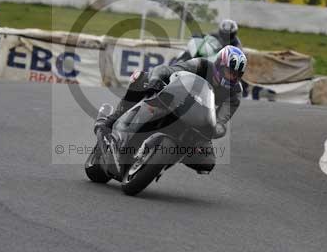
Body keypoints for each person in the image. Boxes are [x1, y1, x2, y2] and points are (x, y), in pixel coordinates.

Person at [96, 45, 247, 174]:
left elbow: (222, 119)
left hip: (197, 116)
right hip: (175, 99)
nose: (232, 77)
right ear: (219, 65)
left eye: (236, 75)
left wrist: (218, 129)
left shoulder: (235, 93)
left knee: (207, 162)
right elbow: (169, 70)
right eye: (229, 71)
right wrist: (156, 79)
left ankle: (161, 162)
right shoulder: (201, 65)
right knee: (142, 78)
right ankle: (109, 122)